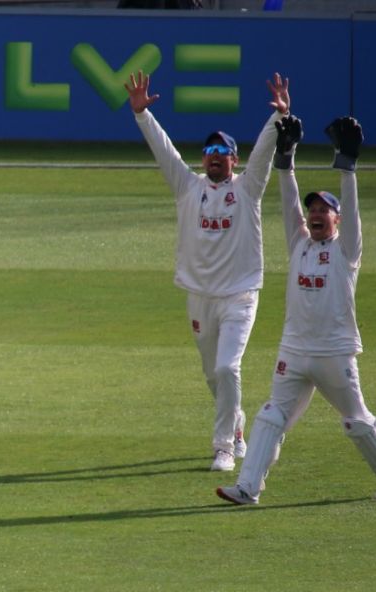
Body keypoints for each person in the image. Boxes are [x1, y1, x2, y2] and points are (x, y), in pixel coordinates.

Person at [217, 115, 376, 505]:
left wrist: (347, 167)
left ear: (335, 219)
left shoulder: (345, 251)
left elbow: (352, 215)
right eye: (313, 209)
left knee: (356, 422)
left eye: (325, 210)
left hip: (335, 353)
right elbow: (289, 208)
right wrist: (285, 162)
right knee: (270, 418)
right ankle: (248, 489)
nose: (316, 214)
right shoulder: (299, 244)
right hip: (294, 351)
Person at [124, 70, 291, 472]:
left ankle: (224, 448)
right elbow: (164, 151)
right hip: (199, 295)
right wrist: (142, 115)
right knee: (213, 377)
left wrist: (280, 117)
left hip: (240, 294)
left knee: (227, 367)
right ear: (204, 159)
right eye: (210, 150)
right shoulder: (188, 187)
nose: (215, 155)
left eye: (224, 150)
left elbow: (266, 153)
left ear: (234, 160)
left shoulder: (248, 189)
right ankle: (235, 427)